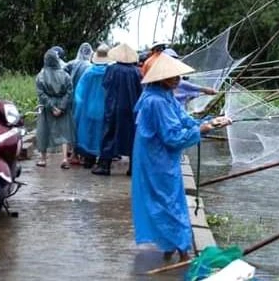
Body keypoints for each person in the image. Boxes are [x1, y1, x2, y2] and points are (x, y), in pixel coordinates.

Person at [131, 53, 232, 262]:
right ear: (160, 78)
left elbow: (183, 119)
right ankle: (182, 249)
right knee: (166, 201)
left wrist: (211, 121)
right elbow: (172, 137)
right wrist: (201, 130)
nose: (178, 80)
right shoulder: (155, 101)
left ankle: (173, 245)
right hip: (155, 158)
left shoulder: (166, 95)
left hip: (164, 157)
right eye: (173, 77)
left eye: (179, 76)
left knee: (172, 198)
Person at [94, 43, 143, 176]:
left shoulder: (112, 69)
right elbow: (141, 90)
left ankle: (104, 166)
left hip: (114, 107)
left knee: (109, 133)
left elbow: (106, 85)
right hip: (132, 108)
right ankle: (133, 167)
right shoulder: (137, 71)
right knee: (132, 136)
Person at [73, 44, 112, 169]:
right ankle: (101, 159)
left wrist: (79, 107)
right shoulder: (110, 72)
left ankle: (89, 160)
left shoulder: (89, 72)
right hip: (105, 108)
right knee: (102, 134)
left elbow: (79, 93)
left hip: (89, 108)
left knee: (89, 133)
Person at [35, 49, 74, 169]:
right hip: (62, 106)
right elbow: (69, 92)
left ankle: (43, 159)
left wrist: (51, 106)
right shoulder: (65, 75)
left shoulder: (41, 76)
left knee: (44, 130)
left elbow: (41, 94)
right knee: (65, 131)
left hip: (47, 107)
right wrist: (61, 107)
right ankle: (64, 158)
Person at [63, 42, 93, 165]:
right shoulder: (89, 67)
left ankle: (72, 152)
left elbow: (62, 73)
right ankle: (78, 153)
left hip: (71, 98)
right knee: (81, 126)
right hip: (83, 100)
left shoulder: (71, 63)